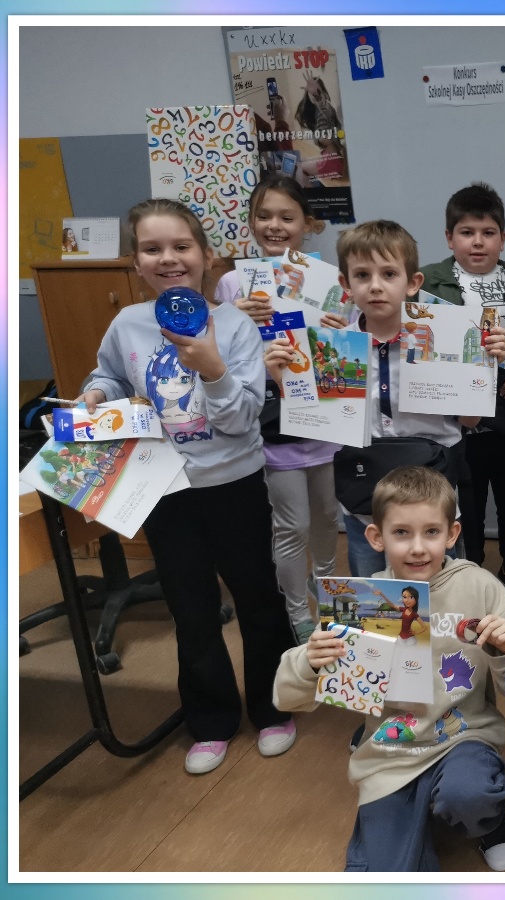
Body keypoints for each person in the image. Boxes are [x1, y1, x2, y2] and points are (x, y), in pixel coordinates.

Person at [79, 198, 296, 775]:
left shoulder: (236, 326)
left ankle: (273, 708)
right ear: (136, 263)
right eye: (152, 249)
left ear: (206, 255)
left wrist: (213, 369)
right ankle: (210, 720)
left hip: (233, 483)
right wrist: (97, 393)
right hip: (165, 488)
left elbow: (242, 418)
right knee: (191, 606)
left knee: (258, 597)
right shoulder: (128, 323)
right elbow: (109, 371)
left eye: (181, 246)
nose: (169, 258)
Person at [273, 466, 505, 872]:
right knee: (388, 875)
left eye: (431, 532)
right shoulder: (364, 602)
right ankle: (407, 817)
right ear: (376, 537)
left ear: (452, 534)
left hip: (463, 737)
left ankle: (486, 820)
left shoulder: (479, 586)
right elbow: (287, 694)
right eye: (401, 533)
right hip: (390, 753)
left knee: (469, 794)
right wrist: (309, 661)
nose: (417, 548)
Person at [311, 219, 505, 577]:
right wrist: (289, 376)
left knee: (442, 591)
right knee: (376, 595)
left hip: (431, 503)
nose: (375, 286)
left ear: (413, 283)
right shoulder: (333, 349)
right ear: (345, 284)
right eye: (362, 275)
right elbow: (322, 425)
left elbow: (470, 421)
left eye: (389, 274)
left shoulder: (445, 337)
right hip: (364, 506)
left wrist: (482, 371)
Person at [214, 174, 337, 642]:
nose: (275, 226)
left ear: (307, 224)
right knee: (293, 525)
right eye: (263, 216)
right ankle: (297, 611)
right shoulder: (231, 283)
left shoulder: (326, 279)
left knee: (327, 517)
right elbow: (216, 359)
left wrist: (337, 328)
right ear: (250, 222)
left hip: (323, 417)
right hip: (272, 423)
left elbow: (345, 348)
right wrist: (234, 319)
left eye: (287, 217)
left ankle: (328, 591)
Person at [420, 182, 505, 615]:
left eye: (488, 232)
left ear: (503, 238)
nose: (478, 242)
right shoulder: (428, 282)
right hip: (458, 423)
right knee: (465, 506)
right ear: (449, 238)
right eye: (467, 232)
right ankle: (468, 573)